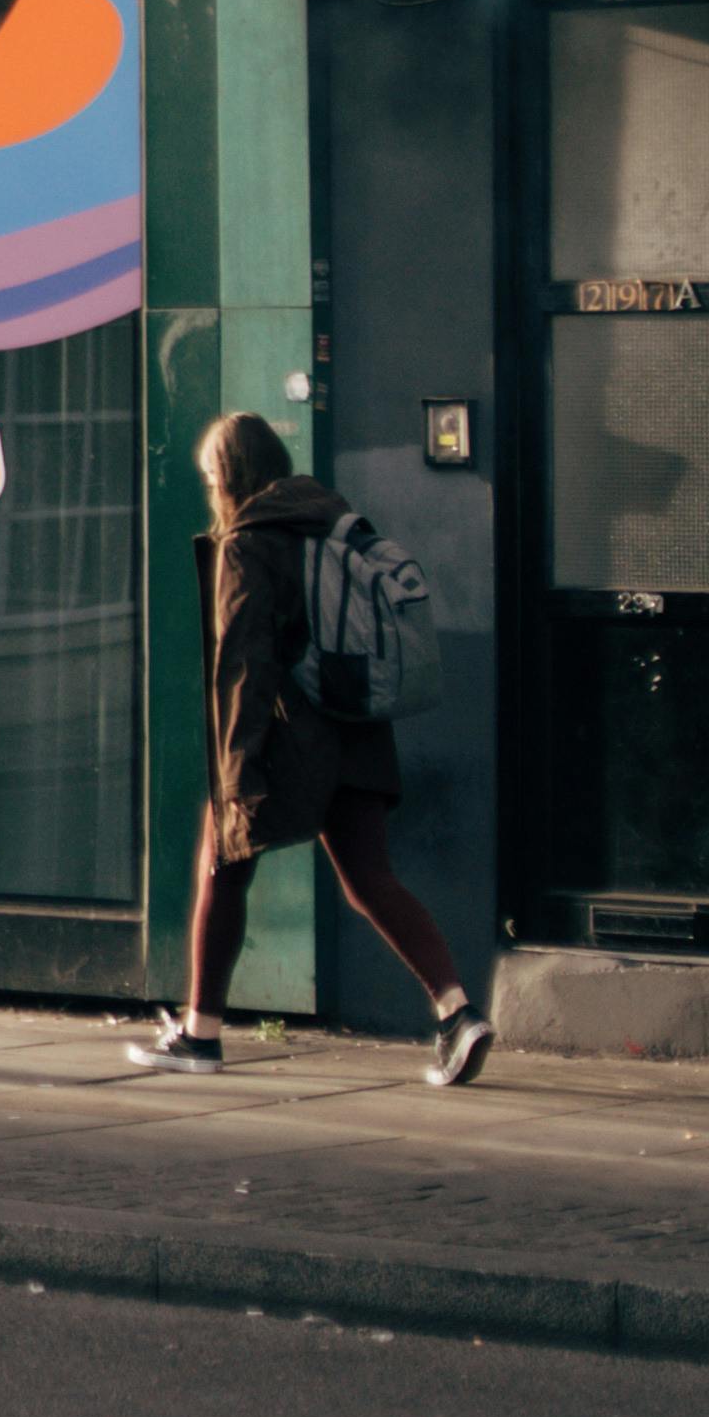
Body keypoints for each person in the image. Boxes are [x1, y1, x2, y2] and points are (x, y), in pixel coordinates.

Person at [143, 409, 488, 1086]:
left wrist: (236, 770)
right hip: (359, 730)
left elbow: (245, 666)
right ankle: (457, 1012)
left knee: (222, 863)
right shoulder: (335, 522)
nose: (211, 489)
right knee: (370, 881)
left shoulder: (249, 542)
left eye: (213, 477)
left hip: (290, 738)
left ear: (230, 477)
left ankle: (201, 1036)